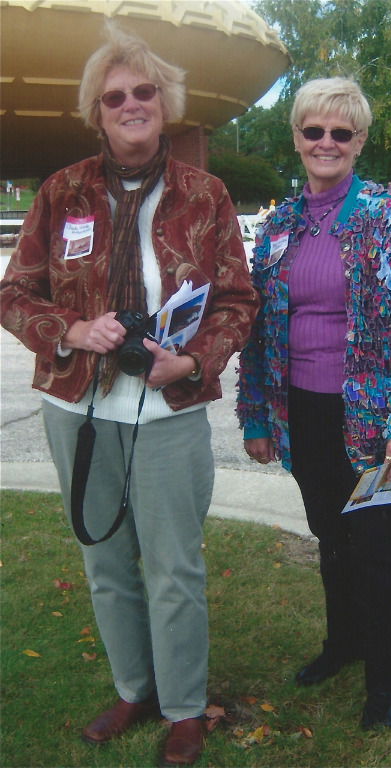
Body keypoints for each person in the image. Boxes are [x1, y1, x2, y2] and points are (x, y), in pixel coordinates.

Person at [0, 24, 257, 767]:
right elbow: (14, 292)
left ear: (165, 103)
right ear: (98, 113)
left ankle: (183, 705)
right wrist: (72, 329)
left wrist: (196, 361)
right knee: (103, 558)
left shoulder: (202, 194)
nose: (131, 104)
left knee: (173, 562)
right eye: (115, 97)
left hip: (167, 408)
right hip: (76, 406)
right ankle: (132, 686)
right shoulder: (64, 191)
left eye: (144, 92)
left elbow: (237, 299)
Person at [237, 76, 391, 730]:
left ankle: (386, 679)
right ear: (296, 138)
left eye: (340, 132)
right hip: (305, 416)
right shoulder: (279, 226)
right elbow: (257, 327)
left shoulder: (388, 216)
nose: (325, 142)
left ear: (357, 141)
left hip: (379, 429)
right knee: (331, 537)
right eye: (312, 131)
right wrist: (255, 416)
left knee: (377, 545)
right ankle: (344, 643)